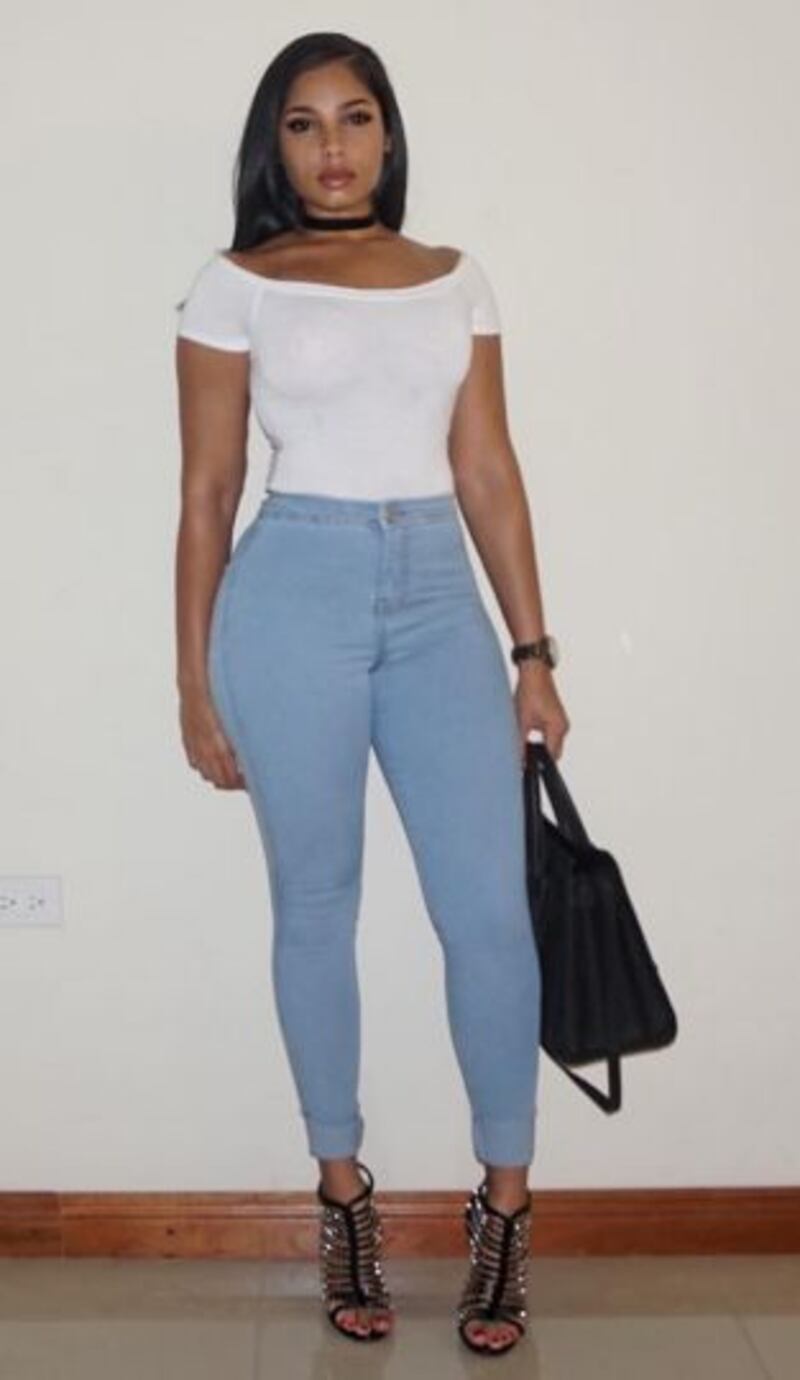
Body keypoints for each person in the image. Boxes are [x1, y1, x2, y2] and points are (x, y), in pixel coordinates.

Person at [174, 30, 570, 1357]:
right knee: (316, 906)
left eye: (354, 118)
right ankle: (343, 1192)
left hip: (439, 602)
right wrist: (194, 680)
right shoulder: (237, 285)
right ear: (274, 145)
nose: (332, 147)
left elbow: (489, 471)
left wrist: (533, 653)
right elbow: (207, 493)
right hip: (293, 595)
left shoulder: (456, 279)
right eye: (304, 124)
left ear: (389, 134)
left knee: (489, 914)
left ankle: (505, 1209)